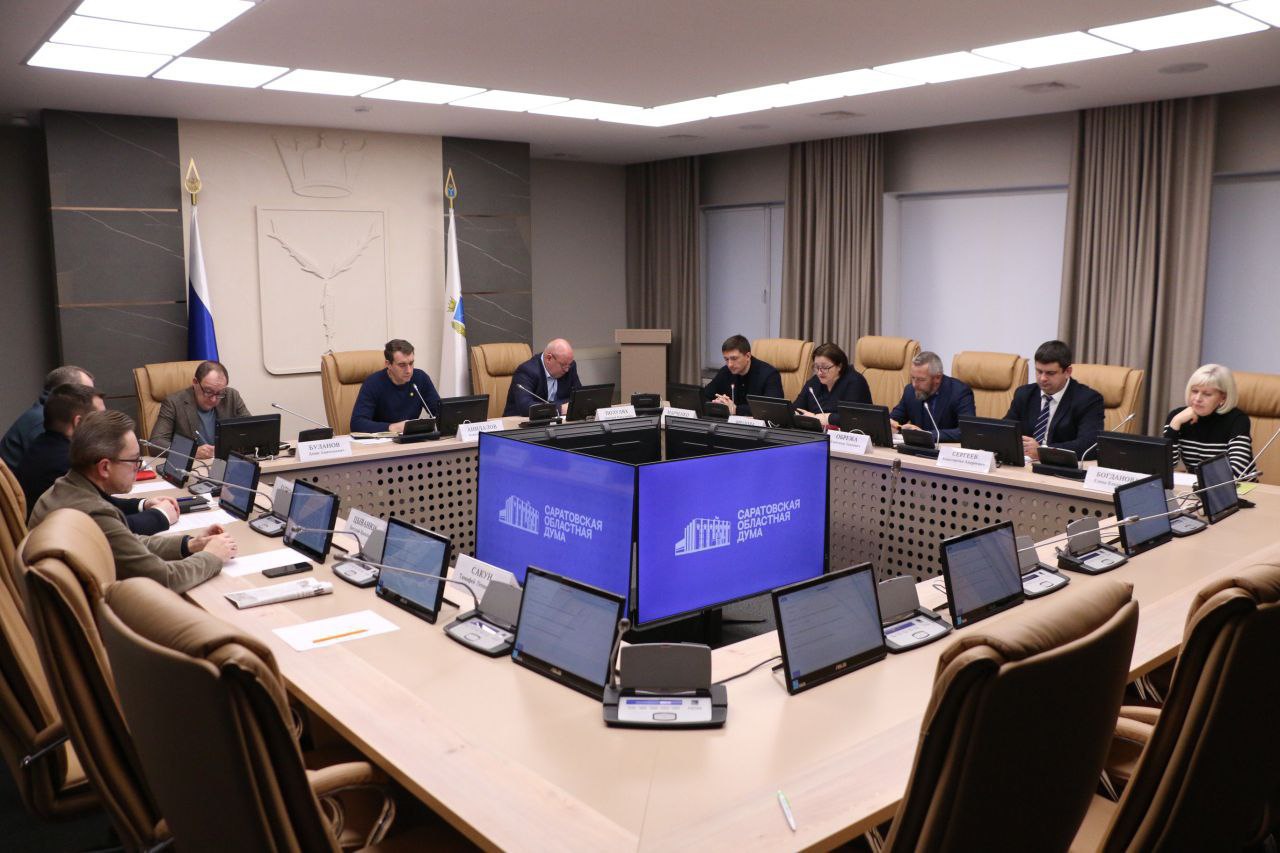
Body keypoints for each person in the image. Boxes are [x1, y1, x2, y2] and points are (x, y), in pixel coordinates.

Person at [28, 410, 235, 593]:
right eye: (134, 460)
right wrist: (212, 556)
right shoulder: (93, 514)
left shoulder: (62, 489)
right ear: (104, 467)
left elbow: (128, 543)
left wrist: (189, 545)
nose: (139, 466)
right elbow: (166, 579)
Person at [15, 384, 179, 534]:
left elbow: (103, 502)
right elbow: (113, 529)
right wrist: (161, 515)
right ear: (79, 422)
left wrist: (142, 505)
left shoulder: (45, 446)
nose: (108, 422)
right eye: (100, 417)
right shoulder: (63, 462)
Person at [1005, 340, 1104, 461]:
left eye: (1050, 373)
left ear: (1067, 372)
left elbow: (1089, 445)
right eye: (1039, 371)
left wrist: (1042, 451)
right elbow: (1005, 431)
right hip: (1024, 463)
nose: (1042, 378)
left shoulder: (1088, 400)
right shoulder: (1024, 394)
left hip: (1059, 466)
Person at [1164, 363, 1255, 479]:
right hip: (1197, 485)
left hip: (1239, 487)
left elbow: (1237, 471)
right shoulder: (1178, 417)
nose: (1197, 399)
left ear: (1223, 398)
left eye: (1207, 394)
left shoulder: (1237, 420)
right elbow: (1165, 467)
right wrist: (1175, 423)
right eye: (1194, 391)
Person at [150, 360, 250, 460]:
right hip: (194, 465)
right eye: (208, 391)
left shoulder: (232, 396)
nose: (213, 399)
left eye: (219, 393)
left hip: (225, 463)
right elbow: (156, 444)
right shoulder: (174, 403)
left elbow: (251, 431)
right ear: (195, 382)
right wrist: (192, 451)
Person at [1, 364, 94, 470]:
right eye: (87, 392)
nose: (93, 398)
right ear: (67, 390)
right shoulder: (42, 421)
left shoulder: (42, 413)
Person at [351, 339, 444, 434]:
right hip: (383, 439)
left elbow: (441, 414)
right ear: (388, 364)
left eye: (411, 363)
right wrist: (393, 427)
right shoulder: (373, 383)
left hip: (412, 438)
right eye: (402, 365)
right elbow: (357, 424)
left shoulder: (420, 378)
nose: (409, 370)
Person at [889, 351, 976, 442]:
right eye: (913, 378)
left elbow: (967, 431)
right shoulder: (910, 391)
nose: (914, 384)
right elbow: (895, 418)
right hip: (916, 448)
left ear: (937, 378)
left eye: (921, 379)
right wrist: (891, 425)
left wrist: (926, 435)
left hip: (944, 448)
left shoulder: (960, 392)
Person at [701, 335, 783, 416]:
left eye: (734, 358)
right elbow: (704, 396)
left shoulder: (769, 374)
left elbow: (772, 408)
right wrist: (717, 404)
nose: (729, 364)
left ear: (747, 356)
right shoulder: (725, 371)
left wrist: (735, 409)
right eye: (726, 359)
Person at [793, 343, 871, 427]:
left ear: (839, 366)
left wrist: (827, 418)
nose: (819, 372)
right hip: (816, 432)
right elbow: (796, 408)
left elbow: (854, 418)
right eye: (816, 367)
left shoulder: (855, 382)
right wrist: (797, 414)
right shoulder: (814, 382)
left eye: (825, 367)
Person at [503, 339, 583, 417]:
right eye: (563, 365)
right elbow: (526, 406)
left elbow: (579, 397)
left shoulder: (570, 367)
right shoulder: (527, 371)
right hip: (518, 422)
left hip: (556, 422)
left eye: (569, 365)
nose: (567, 370)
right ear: (549, 358)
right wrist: (560, 409)